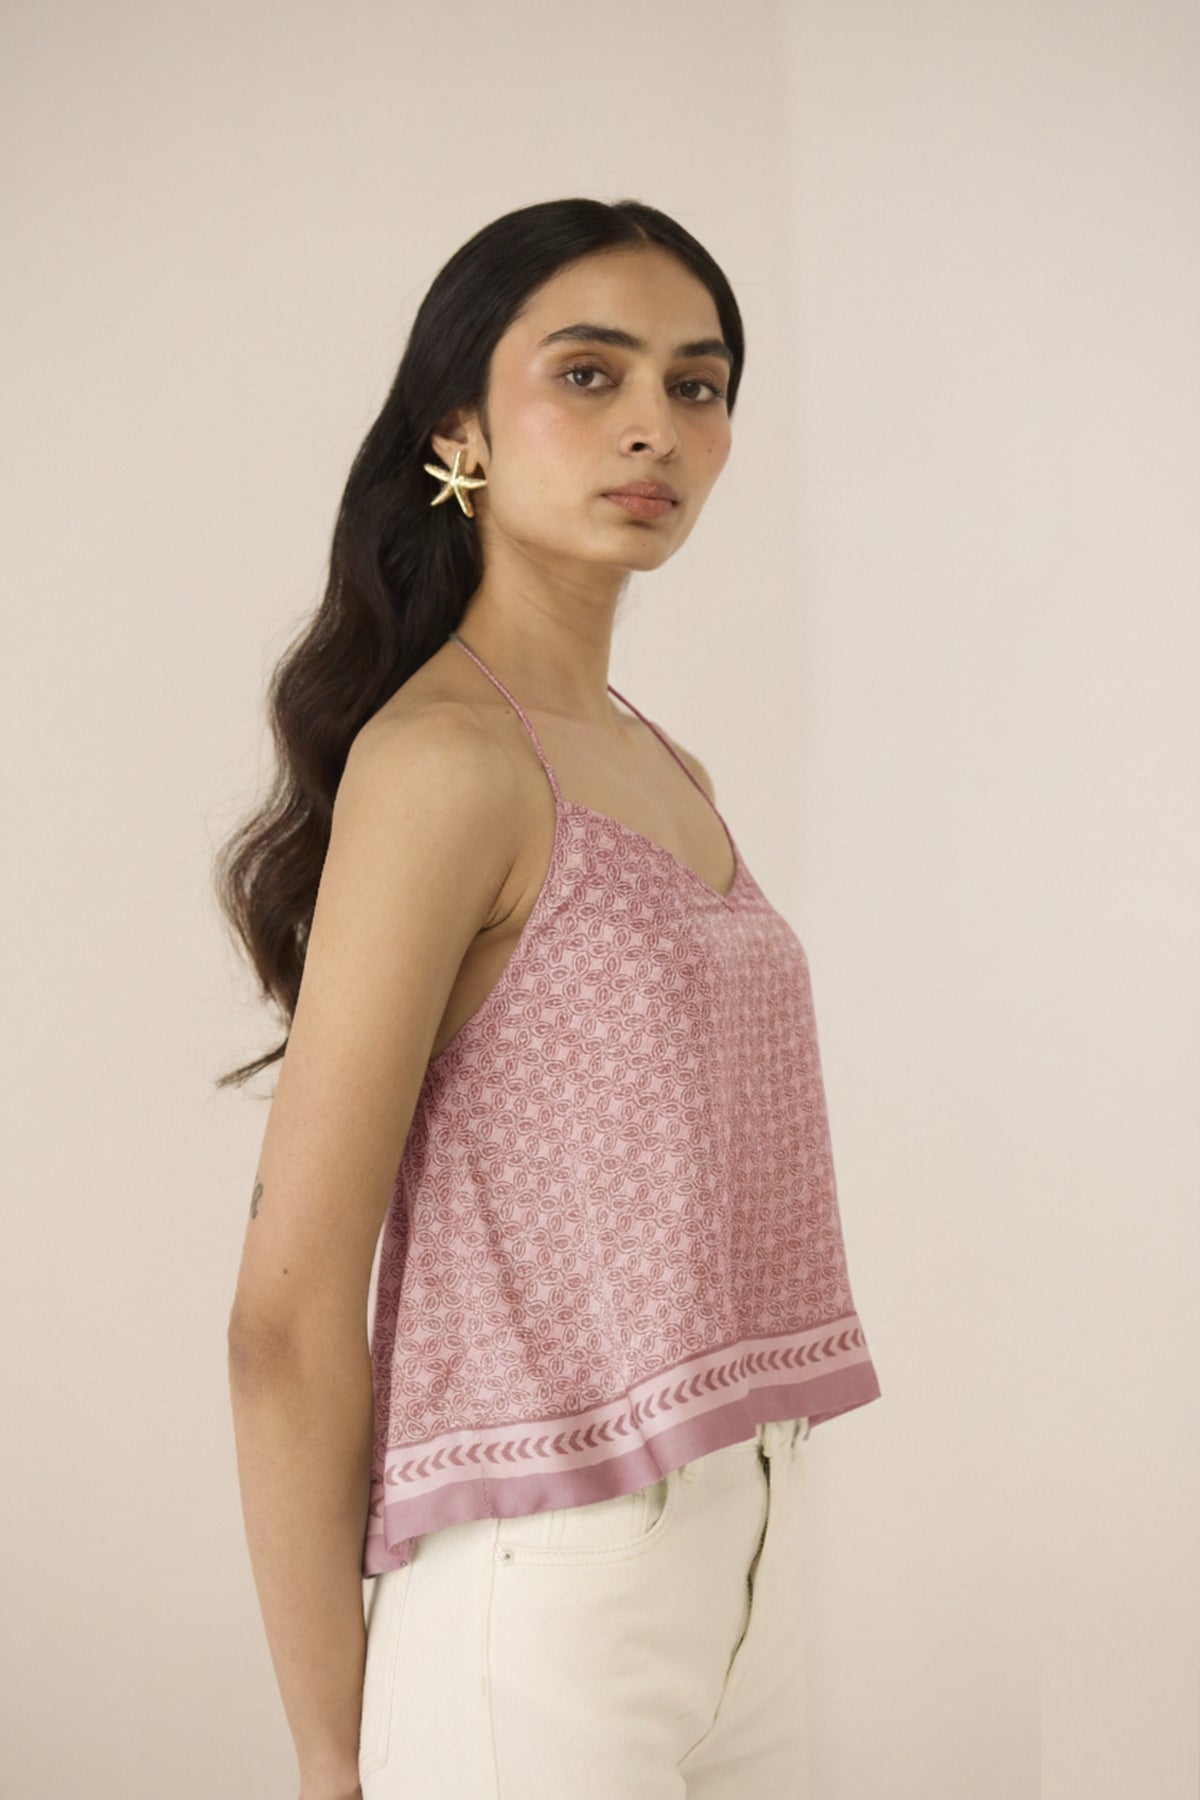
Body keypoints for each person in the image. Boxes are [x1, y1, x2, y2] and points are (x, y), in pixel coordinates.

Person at [217, 196, 881, 1800]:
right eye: (589, 375)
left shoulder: (661, 760)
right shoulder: (445, 764)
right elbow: (288, 1316)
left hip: (746, 1562)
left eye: (699, 383)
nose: (655, 422)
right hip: (544, 1595)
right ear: (461, 427)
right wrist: (332, 1754)